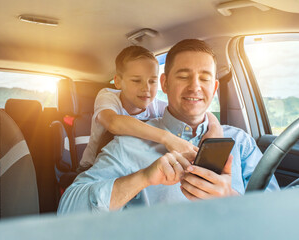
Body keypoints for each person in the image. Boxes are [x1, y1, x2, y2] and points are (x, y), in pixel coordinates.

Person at [58, 39, 279, 214]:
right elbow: (67, 209)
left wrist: (230, 199)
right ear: (165, 83)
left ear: (215, 87)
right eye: (183, 76)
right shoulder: (127, 145)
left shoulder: (241, 143)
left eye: (205, 78)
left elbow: (276, 212)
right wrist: (143, 178)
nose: (195, 87)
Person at [79, 45, 221, 168]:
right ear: (118, 82)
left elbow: (192, 110)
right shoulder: (108, 96)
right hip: (93, 164)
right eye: (136, 80)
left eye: (152, 81)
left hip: (131, 160)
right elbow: (114, 123)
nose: (145, 88)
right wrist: (168, 138)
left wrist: (215, 131)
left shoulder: (154, 104)